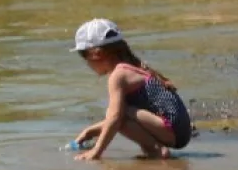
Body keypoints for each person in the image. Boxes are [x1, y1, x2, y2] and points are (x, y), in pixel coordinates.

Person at [69, 19, 191, 161]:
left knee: (116, 113)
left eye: (83, 55)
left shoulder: (118, 75)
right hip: (180, 131)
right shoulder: (132, 68)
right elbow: (123, 117)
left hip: (171, 130)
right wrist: (90, 131)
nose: (86, 63)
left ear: (97, 54)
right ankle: (154, 150)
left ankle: (156, 151)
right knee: (120, 113)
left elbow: (115, 118)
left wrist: (96, 152)